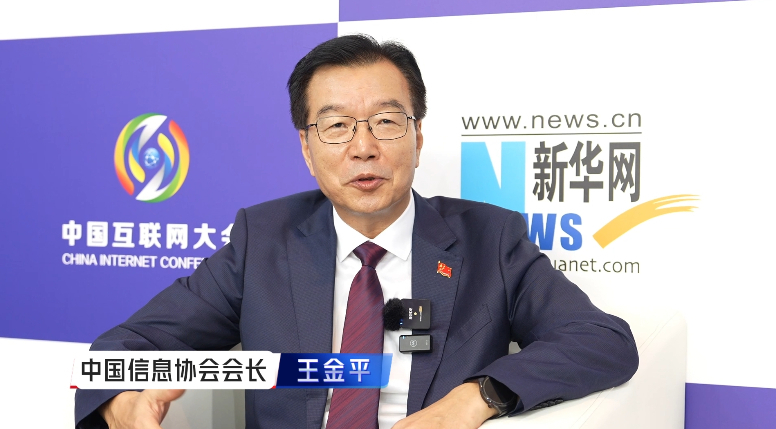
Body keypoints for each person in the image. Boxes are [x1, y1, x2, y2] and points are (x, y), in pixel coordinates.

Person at [75, 34, 638, 429]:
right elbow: (124, 348)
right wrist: (119, 401)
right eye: (337, 126)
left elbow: (602, 341)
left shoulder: (489, 238)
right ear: (307, 149)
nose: (363, 147)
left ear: (417, 138)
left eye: (386, 122)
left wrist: (476, 398)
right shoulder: (262, 239)